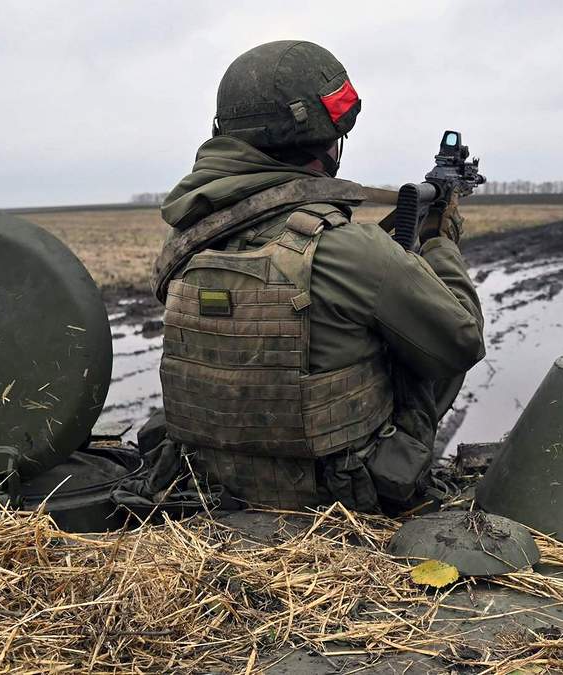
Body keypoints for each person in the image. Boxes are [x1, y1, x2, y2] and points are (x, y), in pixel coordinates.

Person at [151, 40, 485, 513]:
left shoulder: (187, 235)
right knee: (426, 337)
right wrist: (441, 244)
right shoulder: (352, 248)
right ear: (327, 143)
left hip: (207, 486)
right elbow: (461, 341)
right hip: (334, 499)